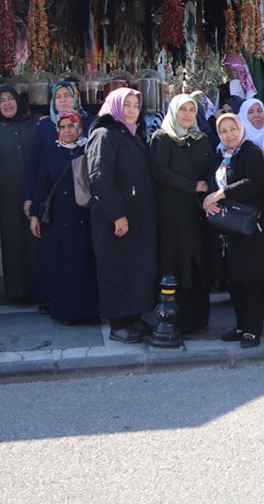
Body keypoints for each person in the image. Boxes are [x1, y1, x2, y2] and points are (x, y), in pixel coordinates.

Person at [86, 88, 158, 344]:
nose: (131, 110)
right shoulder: (104, 135)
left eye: (134, 105)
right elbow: (100, 179)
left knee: (135, 266)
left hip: (135, 215)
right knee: (117, 268)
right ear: (114, 106)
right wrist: (117, 215)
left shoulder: (130, 134)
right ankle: (119, 324)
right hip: (115, 218)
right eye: (125, 105)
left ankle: (133, 316)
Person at [202, 113, 264, 348]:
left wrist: (221, 194)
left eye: (233, 129)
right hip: (229, 229)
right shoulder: (222, 156)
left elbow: (254, 182)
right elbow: (211, 185)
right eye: (223, 131)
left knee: (251, 279)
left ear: (241, 128)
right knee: (235, 280)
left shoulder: (251, 152)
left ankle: (253, 330)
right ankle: (241, 325)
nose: (229, 134)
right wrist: (209, 201)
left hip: (251, 227)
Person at [151, 94, 217, 335]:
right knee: (175, 263)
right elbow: (159, 171)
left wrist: (208, 193)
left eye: (191, 109)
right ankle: (173, 319)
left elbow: (211, 169)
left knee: (197, 264)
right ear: (173, 112)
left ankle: (198, 319)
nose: (188, 114)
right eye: (183, 110)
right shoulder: (162, 138)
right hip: (172, 215)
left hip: (198, 213)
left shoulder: (200, 139)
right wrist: (191, 186)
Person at [28, 111, 99, 323]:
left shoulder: (88, 149)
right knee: (64, 265)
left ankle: (88, 311)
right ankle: (66, 312)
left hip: (84, 217)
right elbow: (41, 185)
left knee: (85, 263)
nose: (67, 131)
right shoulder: (51, 152)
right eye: (63, 127)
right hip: (60, 218)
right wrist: (34, 215)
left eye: (71, 126)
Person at [0, 85, 37, 305]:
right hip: (8, 198)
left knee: (36, 243)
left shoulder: (34, 124)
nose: (7, 104)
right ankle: (18, 292)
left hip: (35, 195)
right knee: (13, 244)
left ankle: (40, 289)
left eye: (10, 98)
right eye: (2, 100)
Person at [23, 81, 91, 221]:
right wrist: (30, 197)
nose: (63, 100)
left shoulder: (90, 123)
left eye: (67, 95)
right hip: (54, 197)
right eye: (58, 97)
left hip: (83, 196)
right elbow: (34, 165)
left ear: (76, 98)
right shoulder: (45, 126)